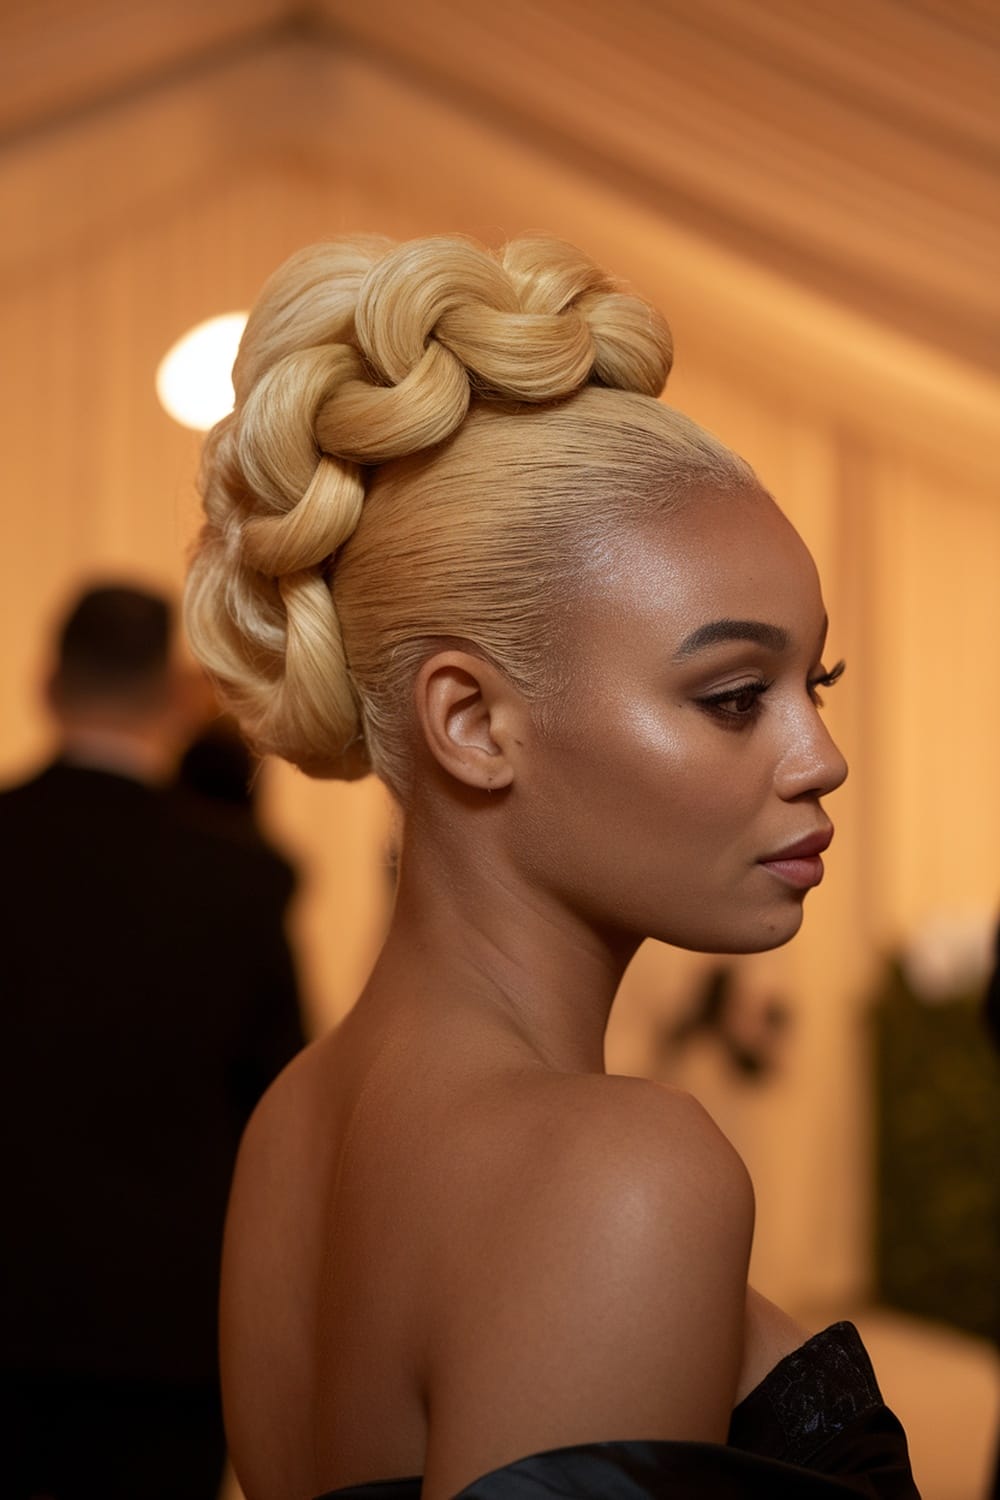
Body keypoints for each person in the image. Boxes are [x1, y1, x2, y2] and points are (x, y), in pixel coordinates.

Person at [185, 235, 920, 1498]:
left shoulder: (288, 1129)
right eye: (738, 696)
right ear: (471, 724)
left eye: (819, 682)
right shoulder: (621, 1172)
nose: (822, 758)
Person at [0, 584, 305, 1500]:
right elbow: (281, 1108)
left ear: (47, 687)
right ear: (175, 698)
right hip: (167, 1333)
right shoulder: (242, 879)